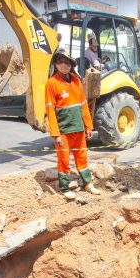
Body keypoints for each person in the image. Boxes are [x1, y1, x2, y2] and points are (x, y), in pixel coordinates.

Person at [45, 48, 100, 200]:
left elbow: (84, 106)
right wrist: (55, 134)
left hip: (79, 129)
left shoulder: (76, 81)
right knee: (63, 160)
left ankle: (88, 184)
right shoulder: (52, 83)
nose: (64, 65)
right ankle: (64, 188)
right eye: (61, 62)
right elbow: (50, 111)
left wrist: (89, 126)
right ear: (56, 64)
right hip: (63, 131)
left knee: (82, 158)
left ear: (71, 65)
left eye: (67, 62)